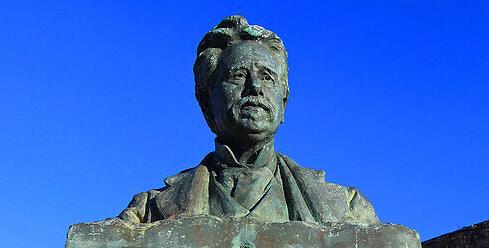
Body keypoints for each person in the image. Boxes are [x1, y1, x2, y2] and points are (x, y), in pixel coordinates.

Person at [117, 16, 380, 225]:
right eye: (238, 75)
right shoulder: (148, 210)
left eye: (267, 77)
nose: (255, 87)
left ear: (283, 102)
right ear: (206, 103)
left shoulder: (347, 207)